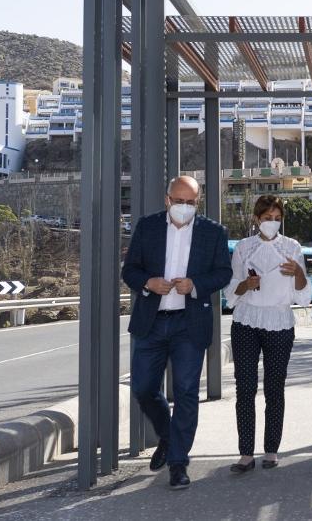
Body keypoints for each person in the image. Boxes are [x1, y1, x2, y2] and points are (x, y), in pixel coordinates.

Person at [121, 176, 233, 489]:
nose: (184, 207)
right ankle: (169, 438)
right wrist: (148, 282)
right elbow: (129, 270)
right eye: (179, 200)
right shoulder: (148, 227)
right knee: (143, 387)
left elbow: (223, 273)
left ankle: (178, 462)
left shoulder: (213, 232)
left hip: (189, 323)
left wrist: (196, 284)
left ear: (198, 202)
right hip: (152, 321)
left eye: (191, 202)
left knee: (185, 392)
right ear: (167, 199)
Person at [225, 195, 312, 473]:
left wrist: (298, 272)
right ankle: (246, 454)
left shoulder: (292, 247)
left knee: (275, 389)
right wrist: (246, 285)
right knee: (245, 388)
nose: (272, 223)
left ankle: (271, 450)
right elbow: (231, 293)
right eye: (267, 218)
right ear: (256, 219)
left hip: (280, 323)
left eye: (277, 219)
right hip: (246, 322)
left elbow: (303, 295)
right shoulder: (243, 248)